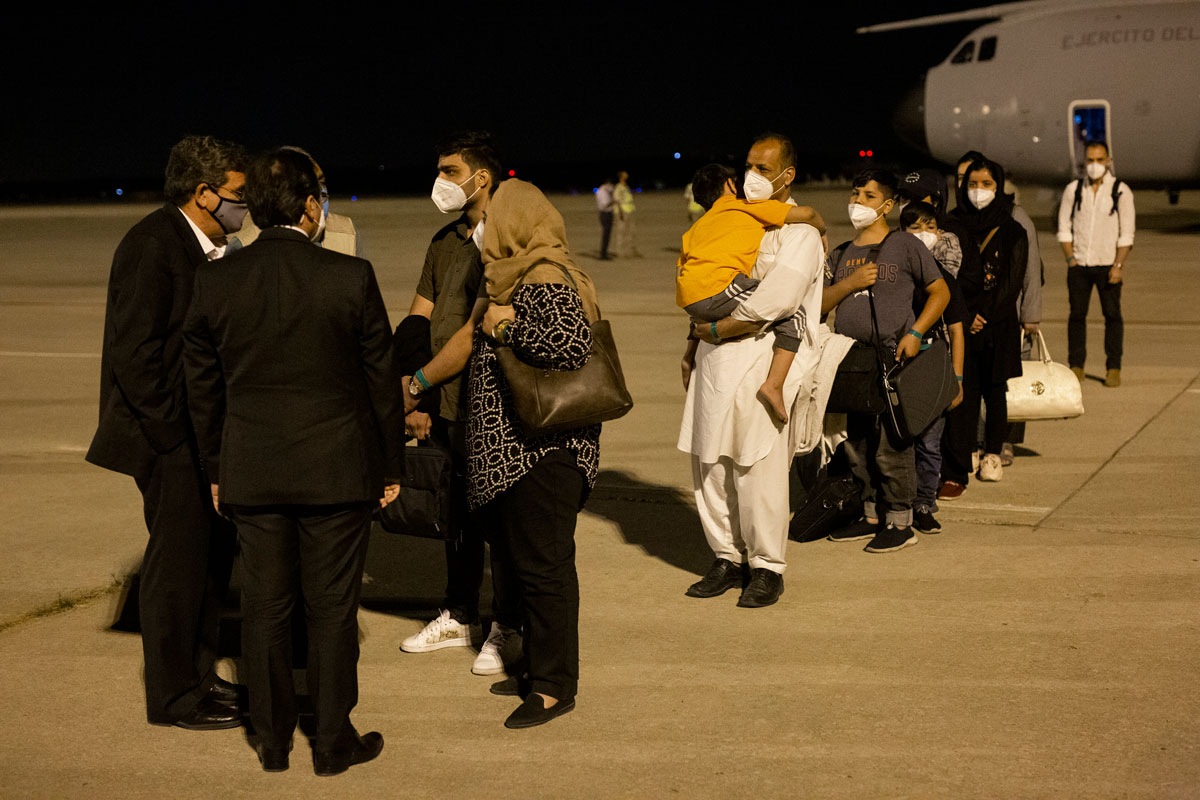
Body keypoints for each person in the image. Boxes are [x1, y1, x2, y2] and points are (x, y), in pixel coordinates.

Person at [182, 148, 405, 774]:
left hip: (251, 467)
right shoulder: (348, 277)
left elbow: (203, 389)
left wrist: (217, 468)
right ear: (310, 206)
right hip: (335, 468)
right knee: (331, 608)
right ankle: (333, 742)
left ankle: (272, 739)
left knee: (265, 606)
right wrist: (390, 466)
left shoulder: (217, 279)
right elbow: (380, 381)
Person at [405, 179, 601, 729]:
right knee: (526, 566)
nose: (484, 227)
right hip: (516, 453)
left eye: (493, 216)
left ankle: (556, 687)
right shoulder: (507, 278)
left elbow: (568, 344)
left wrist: (506, 325)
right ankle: (536, 670)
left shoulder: (545, 275)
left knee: (546, 570)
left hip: (545, 452)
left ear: (517, 222)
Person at [85, 135, 247, 731]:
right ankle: (174, 697)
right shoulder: (153, 245)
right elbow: (136, 355)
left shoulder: (207, 246)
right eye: (236, 196)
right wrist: (174, 441)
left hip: (202, 440)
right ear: (203, 194)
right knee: (176, 570)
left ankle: (201, 677)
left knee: (208, 564)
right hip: (171, 439)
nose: (243, 206)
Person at [679, 132, 826, 606]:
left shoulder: (799, 234)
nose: (752, 177)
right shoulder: (737, 221)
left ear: (788, 175)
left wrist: (719, 329)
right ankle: (726, 556)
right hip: (712, 362)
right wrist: (693, 343)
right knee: (710, 464)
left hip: (761, 358)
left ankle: (766, 566)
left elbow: (778, 299)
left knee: (757, 467)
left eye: (764, 169)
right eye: (749, 166)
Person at [398, 131, 522, 677]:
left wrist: (416, 382)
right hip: (445, 402)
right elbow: (417, 317)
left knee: (502, 522)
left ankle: (507, 624)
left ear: (481, 179)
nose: (441, 181)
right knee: (457, 518)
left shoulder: (505, 241)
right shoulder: (445, 240)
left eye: (450, 171)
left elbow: (475, 333)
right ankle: (460, 614)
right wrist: (415, 389)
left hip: (492, 404)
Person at [822, 169, 950, 553]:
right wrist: (848, 284)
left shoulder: (905, 246)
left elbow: (940, 292)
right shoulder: (841, 254)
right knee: (857, 442)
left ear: (889, 205)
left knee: (892, 443)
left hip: (893, 358)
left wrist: (915, 333)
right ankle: (870, 514)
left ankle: (900, 519)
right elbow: (818, 306)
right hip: (850, 359)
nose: (858, 201)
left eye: (869, 196)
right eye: (856, 193)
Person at [677, 162, 826, 423]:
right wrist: (823, 234)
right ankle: (774, 385)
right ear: (730, 185)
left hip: (691, 298)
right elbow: (809, 214)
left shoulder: (696, 228)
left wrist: (689, 353)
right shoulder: (743, 207)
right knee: (793, 314)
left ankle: (696, 351)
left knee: (718, 309)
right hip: (719, 288)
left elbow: (686, 274)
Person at [941, 157, 1028, 492]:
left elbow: (1012, 282)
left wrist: (984, 316)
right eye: (973, 184)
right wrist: (967, 315)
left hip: (997, 325)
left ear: (999, 186)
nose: (979, 191)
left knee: (995, 392)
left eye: (987, 184)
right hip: (962, 323)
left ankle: (993, 452)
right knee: (966, 389)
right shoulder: (953, 224)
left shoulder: (1012, 230)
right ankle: (965, 453)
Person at [900, 201, 967, 534]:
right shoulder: (897, 276)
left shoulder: (944, 279)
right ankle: (900, 502)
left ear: (940, 233)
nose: (922, 234)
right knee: (901, 441)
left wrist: (957, 378)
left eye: (929, 226)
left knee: (929, 442)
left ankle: (924, 501)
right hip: (900, 366)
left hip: (933, 365)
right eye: (914, 227)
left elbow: (957, 331)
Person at [1057, 139, 1135, 387]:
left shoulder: (1121, 190)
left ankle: (1113, 367)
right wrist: (1071, 260)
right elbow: (1064, 229)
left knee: (1112, 316)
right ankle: (1076, 365)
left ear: (1108, 161)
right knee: (1077, 316)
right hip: (1079, 265)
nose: (1094, 165)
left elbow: (1127, 234)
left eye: (1099, 160)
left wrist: (1118, 266)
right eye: (1090, 160)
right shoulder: (1073, 190)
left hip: (1108, 265)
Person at [227, 146, 361, 257]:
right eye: (312, 185)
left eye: (322, 183)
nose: (321, 192)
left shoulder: (347, 232)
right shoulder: (242, 245)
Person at [613, 170, 641, 257]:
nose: (627, 175)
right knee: (621, 231)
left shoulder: (626, 187)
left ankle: (631, 250)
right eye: (625, 174)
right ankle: (619, 252)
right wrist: (620, 213)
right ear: (621, 176)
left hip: (630, 210)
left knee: (632, 231)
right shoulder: (618, 187)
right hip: (622, 211)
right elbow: (617, 200)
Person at [595, 177, 615, 259]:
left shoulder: (603, 191)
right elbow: (605, 204)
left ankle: (604, 253)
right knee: (605, 235)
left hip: (606, 214)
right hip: (605, 214)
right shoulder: (602, 192)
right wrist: (614, 202)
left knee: (607, 235)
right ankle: (603, 254)